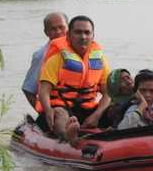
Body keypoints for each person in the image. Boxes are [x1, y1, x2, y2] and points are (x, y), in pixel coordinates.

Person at [36, 15, 111, 144]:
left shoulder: (100, 59)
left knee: (115, 108)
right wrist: (48, 111)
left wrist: (97, 114)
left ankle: (119, 135)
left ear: (93, 36)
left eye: (87, 33)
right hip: (62, 107)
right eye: (78, 32)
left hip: (88, 110)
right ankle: (68, 137)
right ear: (68, 35)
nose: (83, 37)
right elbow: (44, 91)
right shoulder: (56, 59)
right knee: (59, 113)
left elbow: (108, 93)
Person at [21, 12, 68, 109]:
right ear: (46, 32)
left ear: (69, 28)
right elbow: (28, 90)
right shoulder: (41, 55)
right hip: (57, 110)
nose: (58, 32)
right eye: (53, 29)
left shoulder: (80, 49)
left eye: (61, 27)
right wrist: (45, 113)